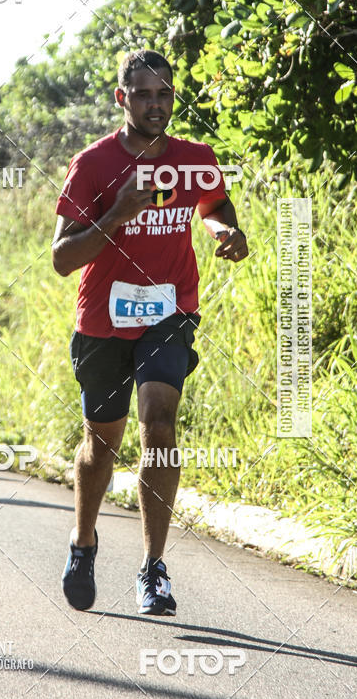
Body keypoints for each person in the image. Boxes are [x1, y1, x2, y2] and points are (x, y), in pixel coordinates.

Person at [52, 50, 249, 615]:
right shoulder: (92, 165)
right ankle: (84, 541)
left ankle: (152, 569)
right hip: (104, 321)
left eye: (164, 95)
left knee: (159, 427)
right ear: (122, 99)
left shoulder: (195, 158)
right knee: (102, 443)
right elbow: (63, 258)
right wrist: (114, 215)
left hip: (168, 313)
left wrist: (224, 233)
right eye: (143, 95)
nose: (156, 105)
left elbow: (215, 207)